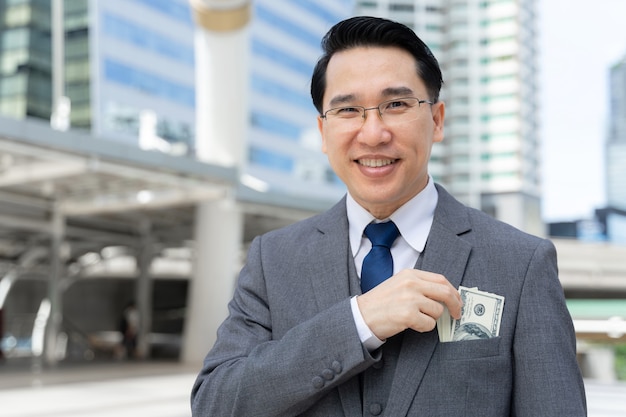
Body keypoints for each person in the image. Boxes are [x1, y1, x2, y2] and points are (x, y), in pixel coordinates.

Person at [191, 16, 587, 416]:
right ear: (323, 132)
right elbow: (215, 404)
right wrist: (359, 321)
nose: (373, 133)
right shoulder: (273, 259)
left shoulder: (521, 263)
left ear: (436, 120)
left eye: (396, 104)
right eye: (348, 110)